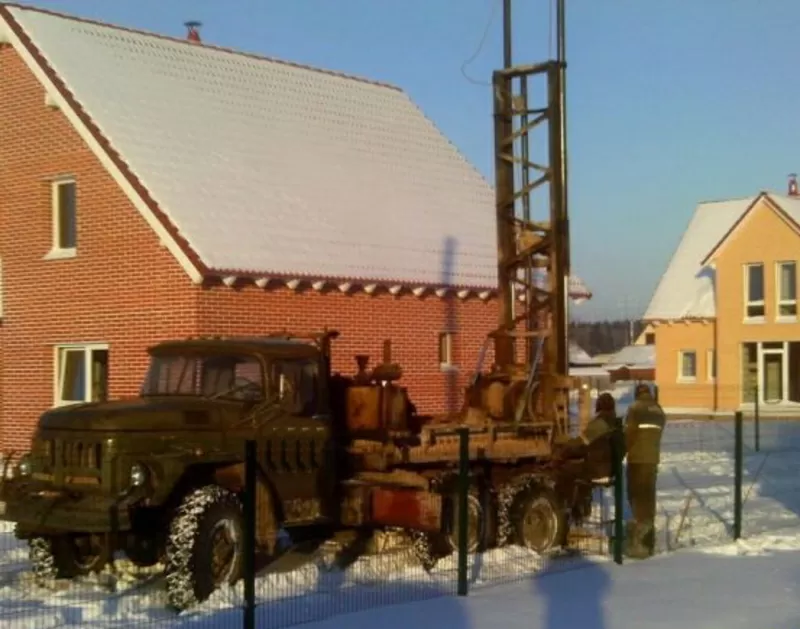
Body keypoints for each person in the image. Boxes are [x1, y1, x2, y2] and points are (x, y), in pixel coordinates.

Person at [624, 383, 666, 559]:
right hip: (652, 459)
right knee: (649, 495)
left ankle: (638, 542)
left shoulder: (635, 408)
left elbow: (629, 433)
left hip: (637, 459)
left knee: (636, 495)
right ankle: (649, 538)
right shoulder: (659, 410)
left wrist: (622, 450)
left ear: (637, 394)